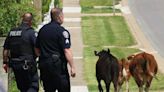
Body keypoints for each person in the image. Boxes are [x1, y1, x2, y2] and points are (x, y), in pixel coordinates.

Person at [35, 8, 76, 92]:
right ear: (59, 17)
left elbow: (36, 49)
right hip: (58, 68)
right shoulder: (62, 32)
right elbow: (67, 51)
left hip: (45, 67)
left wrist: (44, 56)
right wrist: (72, 67)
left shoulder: (42, 30)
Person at [3, 13, 39, 92]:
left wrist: (5, 62)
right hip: (28, 65)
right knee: (33, 86)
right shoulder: (31, 33)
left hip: (15, 65)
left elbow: (5, 49)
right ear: (30, 21)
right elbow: (37, 49)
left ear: (22, 20)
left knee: (22, 88)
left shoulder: (12, 32)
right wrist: (38, 56)